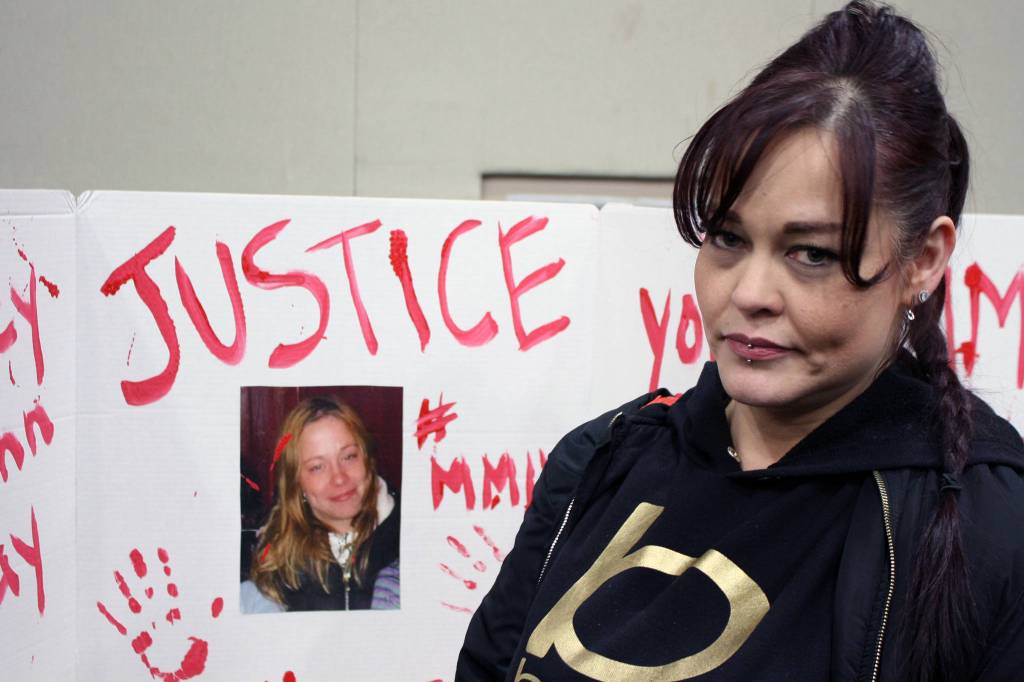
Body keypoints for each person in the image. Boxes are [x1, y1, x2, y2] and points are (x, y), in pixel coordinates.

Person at [457, 2, 1024, 680]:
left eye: (810, 253)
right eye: (727, 239)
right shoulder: (599, 463)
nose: (749, 292)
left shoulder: (989, 525)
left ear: (924, 260)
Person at [241, 396, 400, 612]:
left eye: (349, 456)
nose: (339, 478)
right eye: (317, 467)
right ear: (297, 484)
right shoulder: (274, 568)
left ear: (367, 458)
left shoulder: (415, 542)